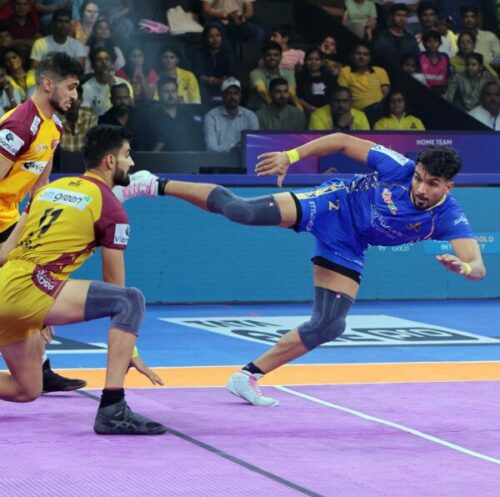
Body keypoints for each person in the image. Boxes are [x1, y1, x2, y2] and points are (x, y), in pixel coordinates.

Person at [115, 133, 486, 407]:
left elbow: (477, 266)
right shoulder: (397, 167)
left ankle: (247, 376)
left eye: (431, 184)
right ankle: (152, 183)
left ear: (448, 186)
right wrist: (290, 156)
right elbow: (342, 141)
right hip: (333, 204)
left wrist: (464, 266)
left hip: (349, 244)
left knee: (329, 324)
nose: (420, 187)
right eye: (419, 177)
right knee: (243, 211)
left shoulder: (448, 216)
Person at [0, 124, 166, 434]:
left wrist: (38, 307)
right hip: (30, 289)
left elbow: (5, 252)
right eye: (128, 155)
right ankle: (113, 407)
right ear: (109, 161)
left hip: (6, 285)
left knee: (27, 388)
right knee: (131, 300)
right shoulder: (111, 207)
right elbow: (116, 288)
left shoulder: (47, 191)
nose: (132, 162)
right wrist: (129, 352)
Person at [0, 52, 89, 392]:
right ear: (48, 84)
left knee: (30, 287)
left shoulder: (54, 126)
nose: (75, 96)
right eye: (71, 87)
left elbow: (41, 186)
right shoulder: (20, 126)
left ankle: (39, 367)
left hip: (10, 215)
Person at [204, 77, 258, 152]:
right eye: (229, 93)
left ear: (240, 95)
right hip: (219, 159)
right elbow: (211, 148)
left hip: (243, 158)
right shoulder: (211, 116)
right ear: (222, 95)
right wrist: (233, 148)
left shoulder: (250, 116)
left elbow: (254, 145)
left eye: (236, 93)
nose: (233, 97)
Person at [60, 84, 98, 152]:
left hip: (84, 157)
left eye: (76, 98)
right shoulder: (54, 119)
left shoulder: (90, 118)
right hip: (61, 158)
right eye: (69, 98)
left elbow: (92, 147)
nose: (73, 102)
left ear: (81, 100)